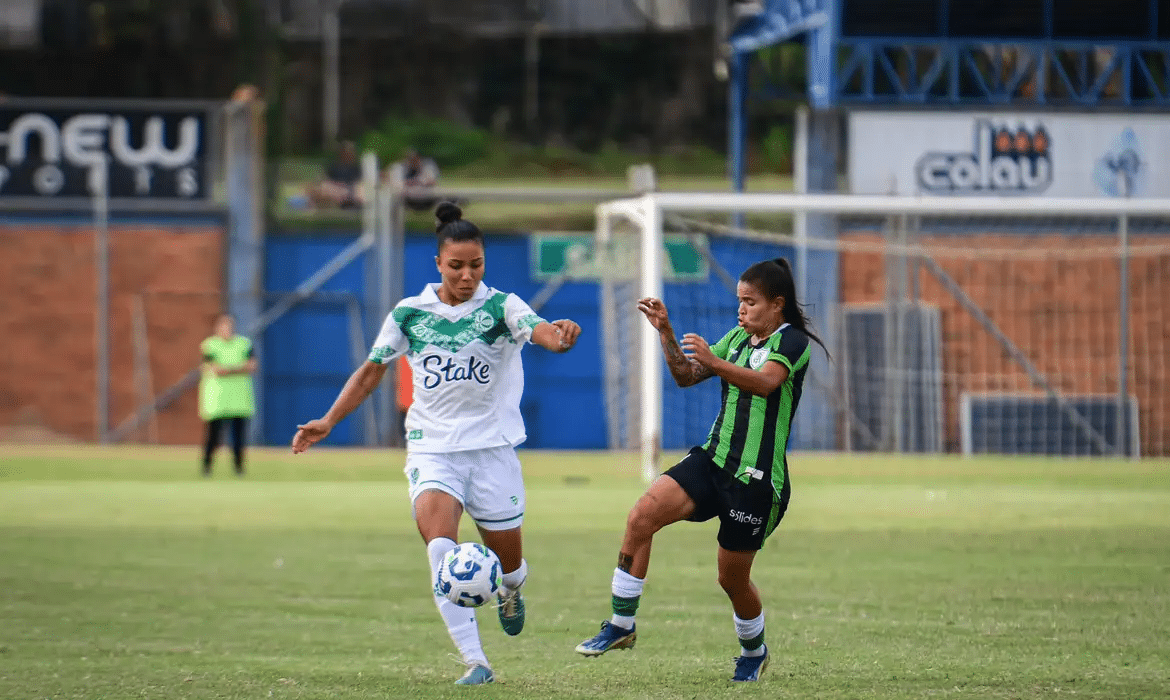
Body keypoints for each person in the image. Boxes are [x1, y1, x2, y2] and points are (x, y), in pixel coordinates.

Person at [291, 202, 582, 685]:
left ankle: (510, 589)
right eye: (456, 266)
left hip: (492, 452)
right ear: (438, 265)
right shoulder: (409, 314)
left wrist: (562, 336)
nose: (467, 275)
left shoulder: (501, 306)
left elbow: (543, 334)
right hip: (432, 450)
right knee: (441, 554)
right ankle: (477, 662)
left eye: (476, 265)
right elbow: (371, 372)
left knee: (509, 567)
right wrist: (328, 420)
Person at [574, 257, 827, 682]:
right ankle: (621, 625)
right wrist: (666, 333)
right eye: (739, 302)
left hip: (755, 482)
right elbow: (686, 376)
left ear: (777, 305)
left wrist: (713, 360)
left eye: (751, 302)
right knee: (642, 515)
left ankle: (754, 650)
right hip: (713, 460)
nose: (742, 311)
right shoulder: (738, 338)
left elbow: (765, 383)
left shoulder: (793, 343)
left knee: (731, 580)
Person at [199, 314, 257, 477]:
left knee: (239, 438)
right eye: (223, 326)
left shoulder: (244, 344)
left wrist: (228, 370)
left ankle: (239, 469)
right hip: (217, 400)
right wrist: (238, 368)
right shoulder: (210, 345)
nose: (226, 330)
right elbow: (213, 368)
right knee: (213, 437)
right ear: (217, 328)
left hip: (239, 399)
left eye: (229, 326)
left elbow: (252, 366)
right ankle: (206, 467)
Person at [305, 140, 363, 209]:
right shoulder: (334, 167)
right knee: (322, 187)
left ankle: (349, 203)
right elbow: (326, 181)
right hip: (337, 190)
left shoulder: (357, 168)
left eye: (351, 152)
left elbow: (359, 183)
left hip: (351, 191)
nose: (348, 155)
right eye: (346, 152)